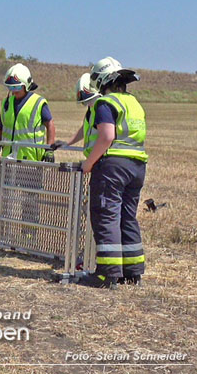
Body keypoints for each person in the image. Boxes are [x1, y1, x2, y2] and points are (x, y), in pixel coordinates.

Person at [78, 57, 148, 288]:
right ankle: (132, 272)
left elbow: (107, 137)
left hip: (113, 168)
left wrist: (88, 163)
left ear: (101, 81)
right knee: (127, 217)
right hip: (137, 166)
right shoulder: (134, 103)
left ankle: (106, 274)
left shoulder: (106, 103)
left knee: (106, 216)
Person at [0, 63, 56, 160]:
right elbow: (2, 129)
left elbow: (50, 125)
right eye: (10, 87)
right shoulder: (6, 103)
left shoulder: (38, 103)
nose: (13, 91)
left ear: (26, 85)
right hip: (7, 159)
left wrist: (49, 149)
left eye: (16, 87)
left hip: (31, 160)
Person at [52, 73, 102, 151]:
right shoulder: (91, 111)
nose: (88, 104)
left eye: (90, 101)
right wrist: (67, 143)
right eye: (84, 103)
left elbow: (107, 138)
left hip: (101, 159)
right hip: (93, 158)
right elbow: (84, 130)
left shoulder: (104, 111)